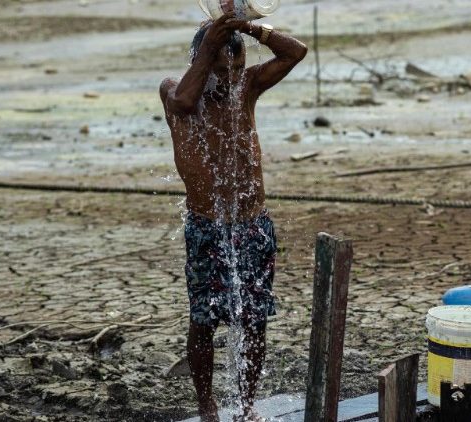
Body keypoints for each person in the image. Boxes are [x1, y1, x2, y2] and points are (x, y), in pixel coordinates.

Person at [159, 13, 307, 422]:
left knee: (256, 320)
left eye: (237, 69)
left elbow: (296, 51)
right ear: (199, 61)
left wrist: (248, 27)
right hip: (208, 226)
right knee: (204, 319)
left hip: (252, 223)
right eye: (220, 70)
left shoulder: (247, 87)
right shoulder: (175, 91)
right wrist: (210, 46)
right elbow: (186, 102)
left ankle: (245, 404)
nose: (229, 79)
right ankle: (207, 406)